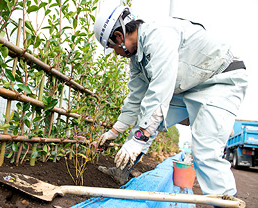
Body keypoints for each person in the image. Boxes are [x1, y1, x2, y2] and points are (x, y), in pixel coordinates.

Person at [94, 4, 248, 197]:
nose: (116, 54)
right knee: (148, 121)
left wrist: (138, 140)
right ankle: (121, 172)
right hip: (191, 86)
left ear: (119, 36)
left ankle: (226, 201)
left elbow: (160, 91)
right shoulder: (137, 60)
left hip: (221, 80)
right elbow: (135, 98)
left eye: (112, 47)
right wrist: (115, 131)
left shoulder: (158, 35)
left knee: (205, 150)